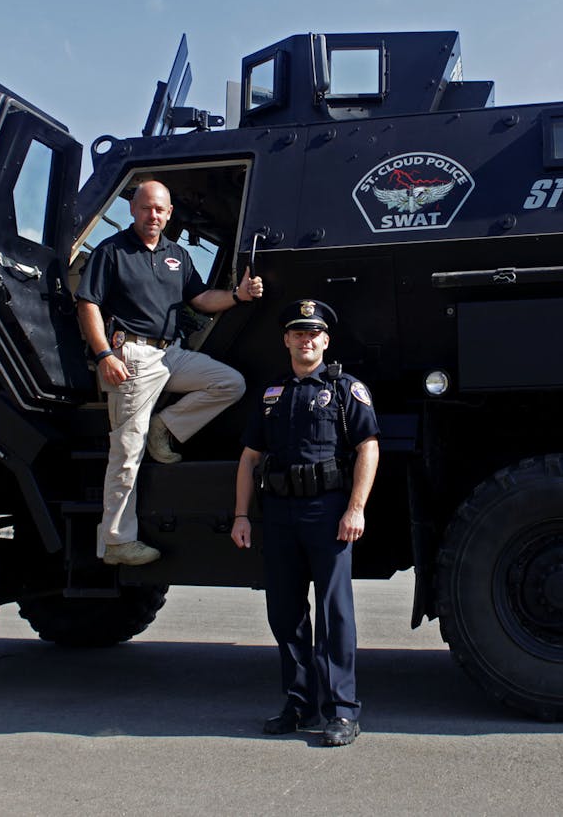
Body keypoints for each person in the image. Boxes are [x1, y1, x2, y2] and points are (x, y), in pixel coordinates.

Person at [76, 179, 263, 566]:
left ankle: (165, 428)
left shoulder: (176, 255)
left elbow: (200, 299)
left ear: (169, 213)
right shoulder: (112, 251)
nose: (153, 216)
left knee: (229, 383)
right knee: (127, 451)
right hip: (131, 356)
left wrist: (238, 295)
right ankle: (116, 541)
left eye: (160, 210)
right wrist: (105, 354)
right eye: (146, 208)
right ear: (133, 209)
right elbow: (88, 305)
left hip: (170, 354)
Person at [231, 299, 379, 747]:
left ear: (325, 341)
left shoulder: (345, 389)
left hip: (326, 512)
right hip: (278, 514)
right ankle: (299, 704)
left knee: (335, 614)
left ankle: (341, 710)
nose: (306, 339)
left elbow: (368, 447)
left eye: (313, 333)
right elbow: (249, 458)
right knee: (285, 612)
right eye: (298, 333)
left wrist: (356, 508)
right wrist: (241, 514)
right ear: (287, 341)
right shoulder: (272, 394)